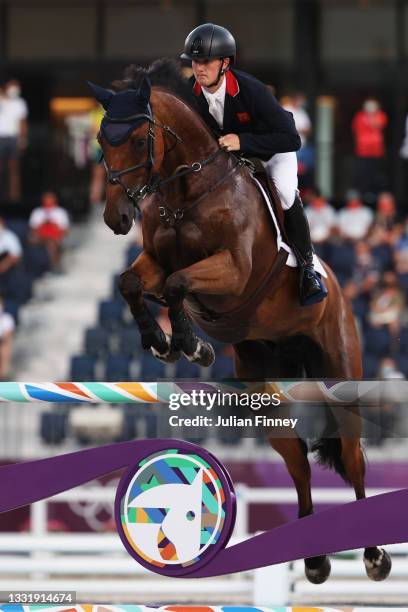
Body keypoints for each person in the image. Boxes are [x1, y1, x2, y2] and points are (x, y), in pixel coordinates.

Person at [180, 23, 327, 306]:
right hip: (232, 158)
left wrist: (244, 141)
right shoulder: (191, 93)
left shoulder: (252, 90)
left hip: (273, 151)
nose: (199, 68)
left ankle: (308, 268)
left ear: (225, 63)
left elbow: (291, 138)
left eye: (206, 61)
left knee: (284, 192)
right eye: (195, 61)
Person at [351, 98, 388, 203]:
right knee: (363, 173)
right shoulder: (359, 116)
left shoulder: (380, 115)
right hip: (363, 150)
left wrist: (371, 116)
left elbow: (378, 124)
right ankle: (363, 195)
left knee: (376, 174)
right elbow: (356, 128)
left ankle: (376, 194)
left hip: (377, 151)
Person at [0, 79, 28, 201]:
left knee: (13, 168)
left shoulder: (20, 103)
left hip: (13, 138)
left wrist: (23, 139)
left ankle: (14, 197)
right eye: (13, 86)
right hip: (1, 137)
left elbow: (23, 122)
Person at [28, 191, 70, 270]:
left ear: (54, 199)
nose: (48, 201)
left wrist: (55, 227)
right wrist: (43, 224)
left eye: (50, 198)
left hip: (56, 237)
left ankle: (54, 266)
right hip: (40, 236)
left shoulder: (61, 212)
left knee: (51, 242)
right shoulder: (37, 212)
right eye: (46, 199)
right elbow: (32, 229)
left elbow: (66, 231)